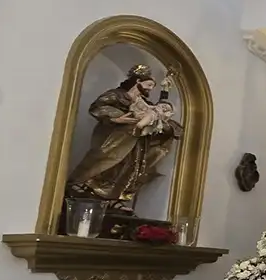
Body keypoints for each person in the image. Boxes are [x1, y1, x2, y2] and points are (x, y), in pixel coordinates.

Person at [66, 65, 183, 214]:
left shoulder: (146, 104)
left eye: (152, 87)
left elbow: (160, 118)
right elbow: (98, 106)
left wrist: (164, 126)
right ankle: (81, 184)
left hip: (135, 146)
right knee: (103, 161)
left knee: (126, 170)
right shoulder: (117, 95)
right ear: (138, 81)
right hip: (114, 140)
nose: (150, 89)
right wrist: (117, 118)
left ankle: (113, 199)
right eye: (149, 85)